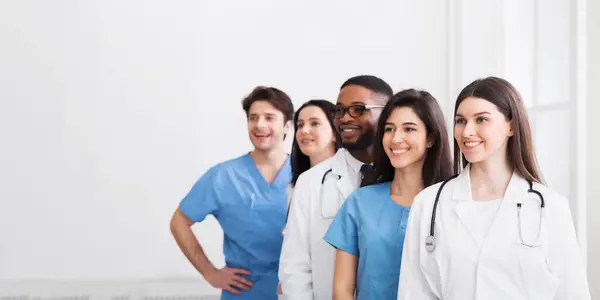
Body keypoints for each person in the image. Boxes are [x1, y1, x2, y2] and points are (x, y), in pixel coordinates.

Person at [397, 77, 591, 299]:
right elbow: (413, 292)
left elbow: (572, 293)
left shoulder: (549, 206)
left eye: (481, 120)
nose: (467, 131)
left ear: (511, 125)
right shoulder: (428, 203)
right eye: (460, 121)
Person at [323, 89, 453, 299]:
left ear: (430, 138)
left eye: (409, 129)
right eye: (389, 129)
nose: (396, 138)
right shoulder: (360, 203)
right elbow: (343, 291)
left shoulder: (451, 203)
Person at [170, 86, 294, 300]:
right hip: (245, 292)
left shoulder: (306, 174)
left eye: (269, 117)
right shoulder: (223, 177)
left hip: (297, 292)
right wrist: (210, 273)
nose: (259, 125)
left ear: (288, 126)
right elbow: (179, 222)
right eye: (253, 118)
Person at [278, 75, 394, 300]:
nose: (345, 118)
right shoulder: (311, 182)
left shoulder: (404, 178)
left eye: (358, 109)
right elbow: (295, 269)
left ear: (387, 113)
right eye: (340, 111)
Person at [277, 99, 342, 296]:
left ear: (334, 133)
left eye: (315, 123)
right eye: (300, 125)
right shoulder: (296, 185)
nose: (304, 130)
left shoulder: (348, 181)